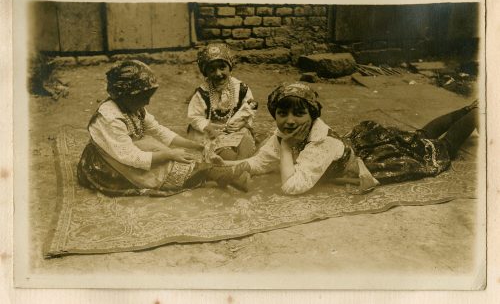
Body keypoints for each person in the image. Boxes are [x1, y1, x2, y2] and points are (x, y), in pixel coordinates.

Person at [211, 82, 478, 195]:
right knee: (418, 135)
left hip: (373, 159)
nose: (289, 121)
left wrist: (285, 148)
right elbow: (260, 163)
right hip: (359, 144)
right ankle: (468, 108)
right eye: (282, 113)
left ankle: (478, 112)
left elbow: (292, 187)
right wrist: (225, 168)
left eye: (298, 113)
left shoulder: (320, 143)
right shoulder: (285, 133)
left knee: (435, 149)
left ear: (312, 115)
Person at [77, 60, 251, 196]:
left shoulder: (133, 107)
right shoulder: (110, 119)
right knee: (162, 163)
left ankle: (216, 174)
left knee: (159, 147)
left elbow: (159, 131)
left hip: (129, 146)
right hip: (110, 163)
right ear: (126, 95)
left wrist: (197, 146)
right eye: (144, 97)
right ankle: (216, 174)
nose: (147, 102)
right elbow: (131, 157)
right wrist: (169, 154)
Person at [187, 43, 257, 161]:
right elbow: (194, 116)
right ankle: (231, 165)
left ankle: (240, 165)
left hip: (235, 129)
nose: (218, 74)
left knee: (245, 142)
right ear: (206, 73)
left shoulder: (241, 89)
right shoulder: (203, 93)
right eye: (212, 70)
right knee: (222, 153)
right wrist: (209, 128)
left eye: (222, 67)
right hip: (211, 131)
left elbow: (250, 108)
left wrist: (242, 123)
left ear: (230, 67)